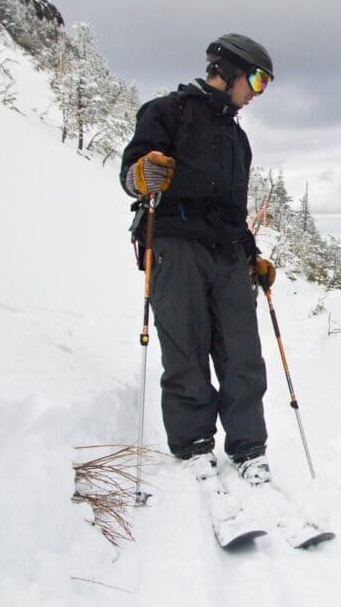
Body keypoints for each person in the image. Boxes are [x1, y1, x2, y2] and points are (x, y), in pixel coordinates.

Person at [120, 34, 278, 485]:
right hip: (175, 244)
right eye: (257, 80)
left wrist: (253, 257)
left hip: (227, 252)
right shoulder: (167, 112)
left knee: (242, 352)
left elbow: (234, 211)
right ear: (227, 71)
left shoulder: (236, 139)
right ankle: (193, 446)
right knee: (186, 348)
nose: (256, 93)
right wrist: (142, 174)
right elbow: (132, 174)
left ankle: (249, 448)